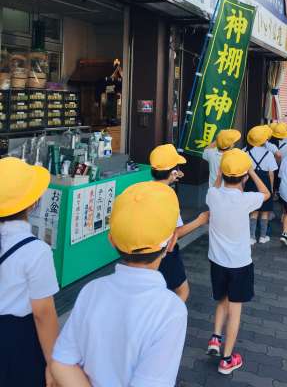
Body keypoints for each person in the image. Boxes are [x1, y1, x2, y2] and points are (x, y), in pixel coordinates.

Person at [51, 181, 187, 387]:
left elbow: (62, 362)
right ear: (171, 243)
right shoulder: (171, 309)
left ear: (111, 240)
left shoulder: (91, 290)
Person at [205, 149, 270, 374]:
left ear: (222, 173)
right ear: (243, 177)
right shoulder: (246, 200)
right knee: (235, 310)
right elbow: (266, 193)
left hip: (217, 262)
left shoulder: (212, 195)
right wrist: (250, 170)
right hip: (239, 264)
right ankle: (226, 360)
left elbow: (215, 186)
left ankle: (215, 338)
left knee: (221, 300)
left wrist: (222, 173)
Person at [0, 157, 59, 387]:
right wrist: (53, 364)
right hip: (16, 341)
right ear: (32, 203)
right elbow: (43, 313)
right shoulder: (36, 251)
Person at [150, 143, 208, 302]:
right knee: (182, 291)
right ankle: (168, 316)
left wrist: (171, 175)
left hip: (144, 252)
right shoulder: (169, 195)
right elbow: (177, 233)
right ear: (173, 172)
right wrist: (200, 221)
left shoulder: (145, 188)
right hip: (165, 252)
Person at [244, 125, 278, 245]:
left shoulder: (246, 153)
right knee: (265, 211)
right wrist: (271, 188)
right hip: (265, 183)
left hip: (251, 182)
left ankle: (251, 237)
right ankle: (263, 236)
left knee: (253, 210)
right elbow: (271, 174)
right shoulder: (269, 154)